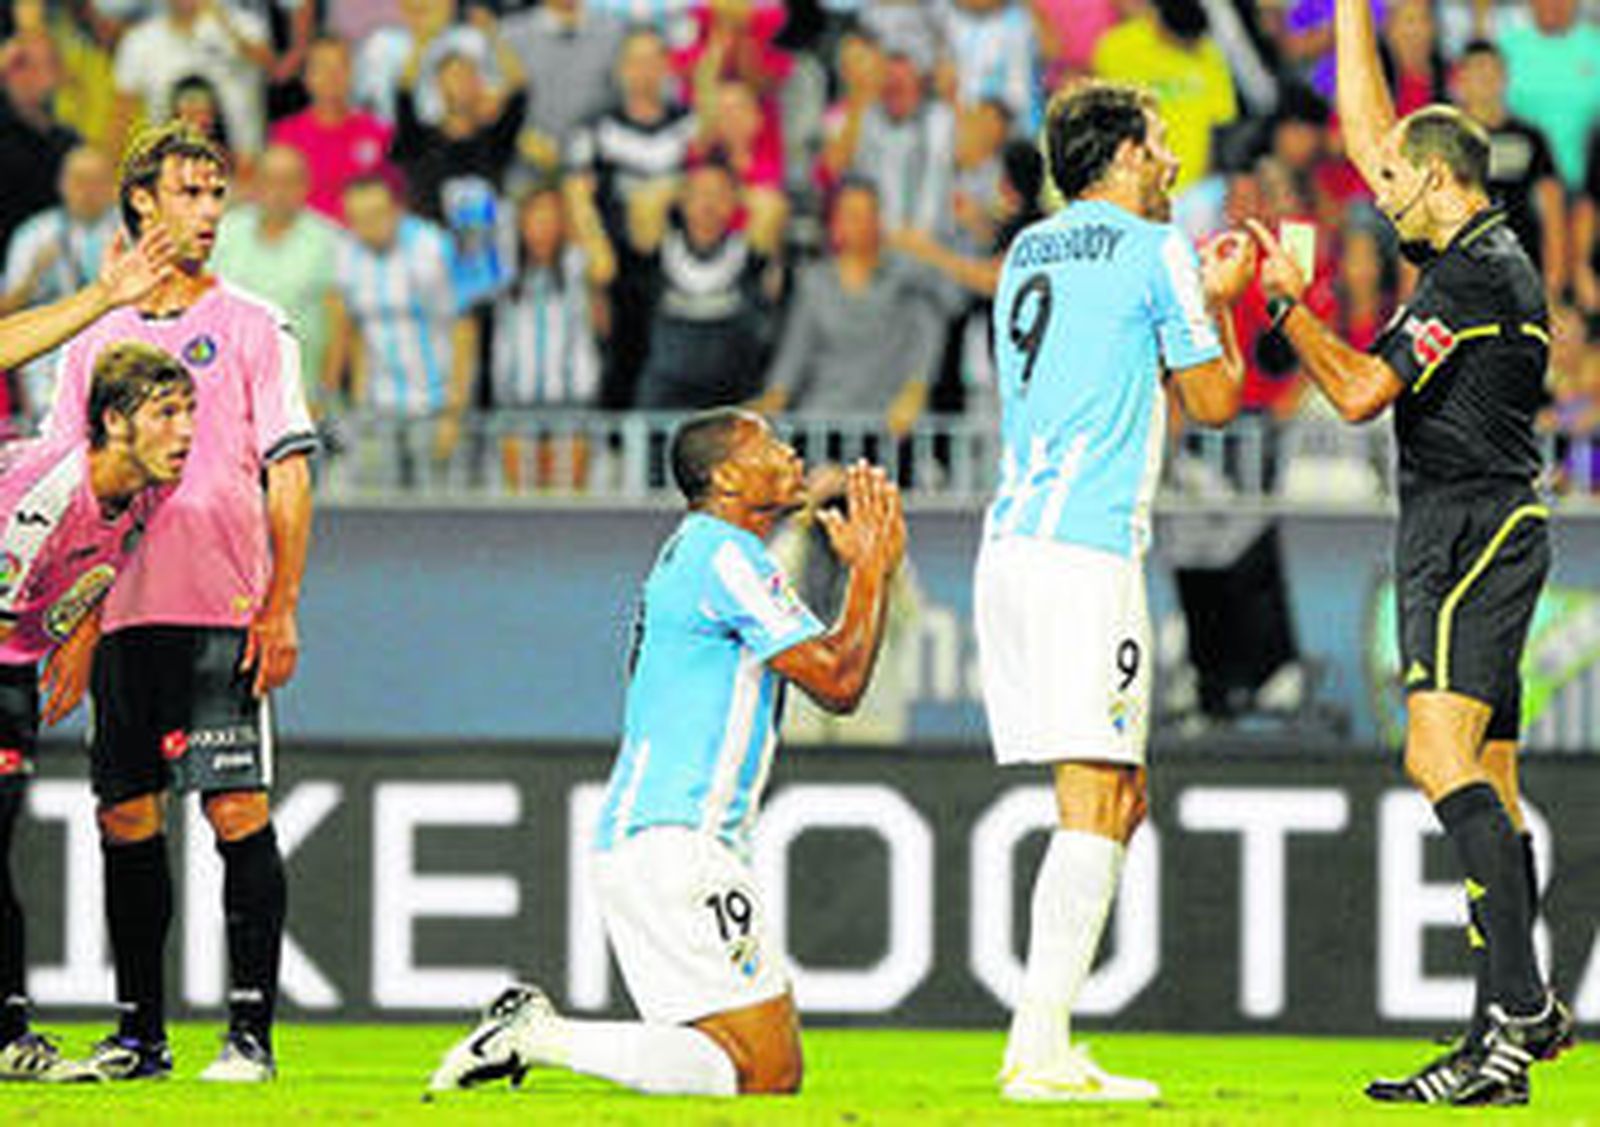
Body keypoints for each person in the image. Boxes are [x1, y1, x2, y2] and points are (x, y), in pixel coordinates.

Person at [1245, 0, 1573, 1105]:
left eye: (1394, 184)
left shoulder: (1466, 280)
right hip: (1499, 524)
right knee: (1490, 781)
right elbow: (1372, 133)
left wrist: (1284, 305)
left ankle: (1524, 1002)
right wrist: (1350, 15)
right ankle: (1498, 1044)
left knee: (1435, 763)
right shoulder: (1490, 248)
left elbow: (1353, 391)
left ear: (1437, 183)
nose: (1376, 190)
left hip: (1461, 530)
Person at [429, 410, 905, 1097]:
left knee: (743, 1068)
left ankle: (537, 1033)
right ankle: (537, 1033)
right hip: (679, 840)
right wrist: (871, 571)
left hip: (643, 843)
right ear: (730, 477)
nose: (790, 452)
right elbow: (839, 680)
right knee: (767, 1072)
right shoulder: (725, 555)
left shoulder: (697, 551)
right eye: (769, 444)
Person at [976, 80, 1252, 1102]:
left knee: (1120, 796)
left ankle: (1042, 1036)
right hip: (1085, 554)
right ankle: (1037, 1049)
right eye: (1163, 142)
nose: (1175, 159)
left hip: (1012, 543)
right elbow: (1216, 400)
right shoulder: (1153, 250)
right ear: (1129, 153)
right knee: (1097, 798)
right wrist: (1228, 297)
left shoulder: (1026, 251)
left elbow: (1099, 359)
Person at [43, 121, 317, 1083]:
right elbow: (65, 488)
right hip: (120, 614)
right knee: (126, 817)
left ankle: (250, 1037)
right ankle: (140, 1038)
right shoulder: (90, 339)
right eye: (189, 194)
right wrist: (67, 628)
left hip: (222, 607)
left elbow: (287, 475)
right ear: (141, 203)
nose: (207, 212)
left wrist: (279, 605)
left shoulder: (255, 324)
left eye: (215, 195)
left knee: (235, 807)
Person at [0, 342, 195, 1080]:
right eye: (166, 413)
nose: (185, 432)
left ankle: (8, 1035)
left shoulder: (149, 486)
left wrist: (78, 633)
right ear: (114, 420)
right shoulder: (41, 500)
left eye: (190, 412)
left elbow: (97, 563)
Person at [324, 172, 474, 493]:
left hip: (434, 405)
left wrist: (454, 411)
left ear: (397, 209)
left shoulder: (432, 247)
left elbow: (464, 328)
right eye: (357, 219)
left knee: (437, 512)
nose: (367, 226)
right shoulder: (347, 253)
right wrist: (356, 399)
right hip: (379, 408)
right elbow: (353, 331)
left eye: (375, 215)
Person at [2, 146, 120, 421]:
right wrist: (34, 276)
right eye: (79, 180)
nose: (87, 190)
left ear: (114, 186)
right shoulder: (34, 233)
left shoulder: (133, 231)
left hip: (117, 338)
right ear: (62, 184)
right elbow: (6, 312)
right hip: (51, 344)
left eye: (97, 181)